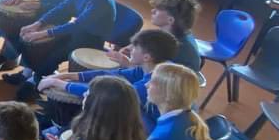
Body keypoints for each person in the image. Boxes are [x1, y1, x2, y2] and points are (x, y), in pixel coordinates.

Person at [4, 0, 116, 83]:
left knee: (52, 54)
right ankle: (26, 74)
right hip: (78, 33)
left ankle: (36, 82)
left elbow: (77, 25)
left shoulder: (102, 2)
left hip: (90, 40)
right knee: (39, 45)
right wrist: (38, 23)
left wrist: (42, 33)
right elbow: (62, 8)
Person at [38, 28, 178, 123]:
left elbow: (104, 95)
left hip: (141, 130)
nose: (130, 49)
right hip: (135, 114)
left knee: (97, 105)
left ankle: (59, 126)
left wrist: (57, 83)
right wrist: (66, 76)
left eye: (135, 47)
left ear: (147, 57)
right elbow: (110, 74)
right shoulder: (155, 66)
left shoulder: (150, 85)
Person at [109, 0, 201, 71]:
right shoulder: (171, 32)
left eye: (158, 10)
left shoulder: (177, 51)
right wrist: (133, 47)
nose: (152, 11)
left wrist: (128, 65)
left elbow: (155, 77)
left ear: (170, 20)